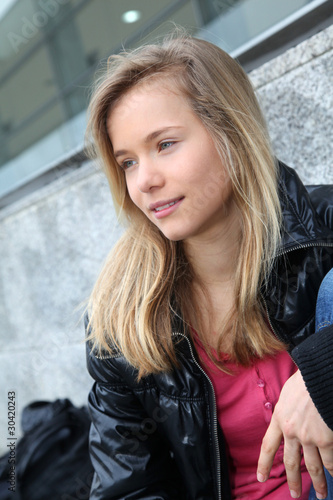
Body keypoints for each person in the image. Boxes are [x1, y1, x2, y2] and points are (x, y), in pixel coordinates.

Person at [84, 33, 333, 500]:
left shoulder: (322, 223)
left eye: (165, 144)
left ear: (230, 132)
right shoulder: (120, 320)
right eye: (128, 162)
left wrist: (324, 374)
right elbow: (129, 487)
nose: (145, 181)